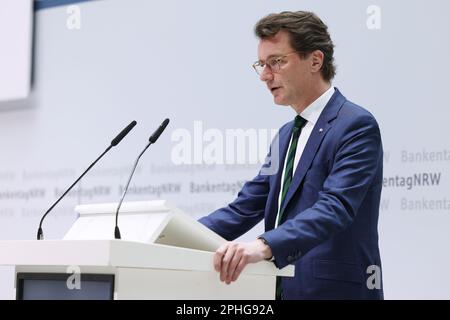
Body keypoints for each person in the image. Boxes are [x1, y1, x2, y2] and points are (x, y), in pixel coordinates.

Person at [198, 11, 383, 300]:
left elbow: (335, 207)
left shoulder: (355, 125)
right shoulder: (286, 134)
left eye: (276, 62)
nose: (264, 75)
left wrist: (263, 245)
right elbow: (244, 208)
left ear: (315, 61)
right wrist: (170, 235)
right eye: (262, 64)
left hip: (334, 292)